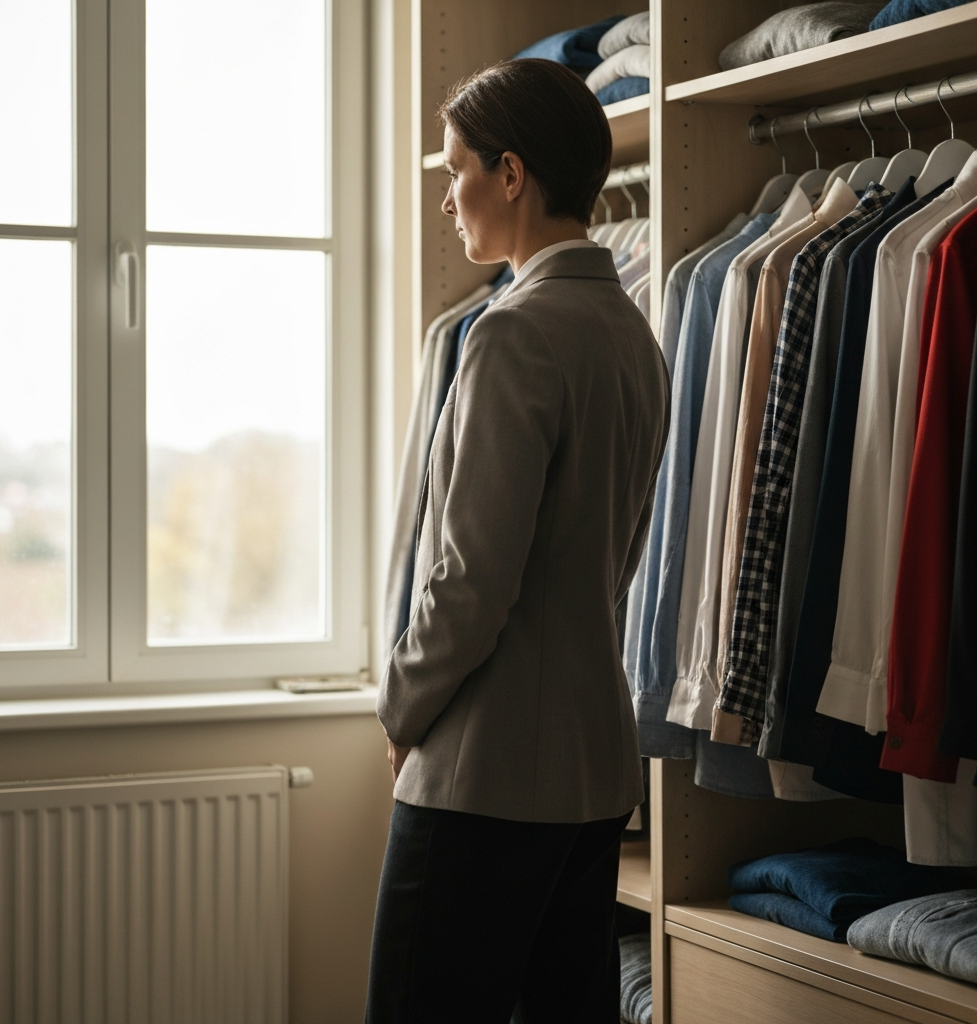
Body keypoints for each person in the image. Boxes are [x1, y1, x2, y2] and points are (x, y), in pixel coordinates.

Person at [367, 58, 669, 1024]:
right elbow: (616, 560)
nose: (448, 201)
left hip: (484, 773)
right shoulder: (634, 336)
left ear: (511, 173)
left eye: (455, 173)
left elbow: (469, 582)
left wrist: (401, 704)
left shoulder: (511, 335)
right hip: (593, 768)